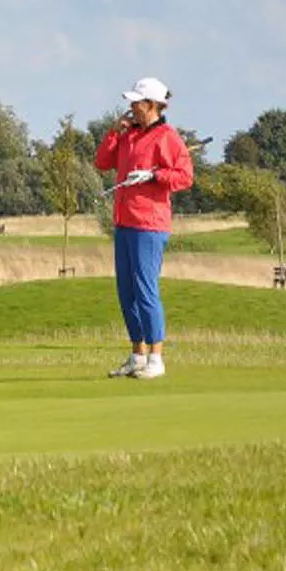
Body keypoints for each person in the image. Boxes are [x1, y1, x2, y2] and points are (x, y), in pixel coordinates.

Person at [94, 78, 194, 381]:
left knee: (146, 291)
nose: (131, 106)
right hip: (124, 221)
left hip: (149, 224)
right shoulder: (128, 135)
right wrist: (114, 131)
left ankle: (156, 357)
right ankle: (137, 354)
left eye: (137, 102)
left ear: (151, 105)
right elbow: (102, 162)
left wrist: (153, 175)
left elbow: (184, 177)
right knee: (127, 292)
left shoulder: (167, 137)